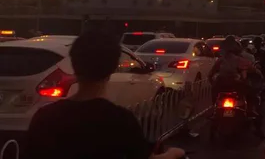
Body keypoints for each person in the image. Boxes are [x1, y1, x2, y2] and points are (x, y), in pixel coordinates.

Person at [25, 30, 184, 159]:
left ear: (74, 64)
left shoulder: (44, 118)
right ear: (112, 68)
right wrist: (174, 153)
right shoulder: (121, 121)